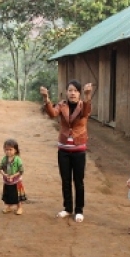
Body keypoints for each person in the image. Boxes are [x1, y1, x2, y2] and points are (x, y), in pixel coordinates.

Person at [40, 80, 93, 223]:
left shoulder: (83, 105)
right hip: (63, 149)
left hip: (79, 149)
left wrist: (88, 96)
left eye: (75, 90)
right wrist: (46, 99)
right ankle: (67, 208)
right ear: (66, 92)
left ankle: (79, 210)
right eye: (70, 90)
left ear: (79, 93)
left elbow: (87, 112)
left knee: (79, 181)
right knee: (65, 180)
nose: (72, 93)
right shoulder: (62, 105)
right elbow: (52, 114)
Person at [0, 138, 27, 215]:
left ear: (15, 150)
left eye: (10, 149)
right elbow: (0, 168)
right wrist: (5, 174)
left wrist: (13, 176)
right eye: (6, 149)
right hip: (7, 180)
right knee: (8, 194)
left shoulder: (18, 160)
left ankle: (19, 207)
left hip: (16, 181)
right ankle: (9, 207)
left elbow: (21, 171)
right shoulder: (4, 159)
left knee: (17, 194)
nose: (8, 151)